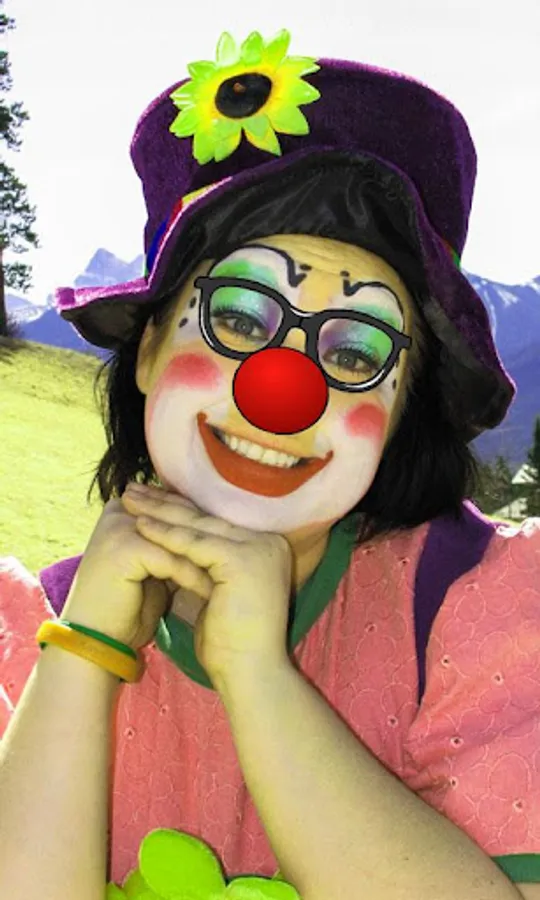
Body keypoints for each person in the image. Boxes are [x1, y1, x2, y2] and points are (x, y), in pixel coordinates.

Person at [1, 27, 539, 900]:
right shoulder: (27, 633)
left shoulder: (479, 611)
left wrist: (258, 676)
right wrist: (83, 650)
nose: (281, 393)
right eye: (240, 319)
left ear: (402, 407)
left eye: (355, 351)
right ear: (148, 352)